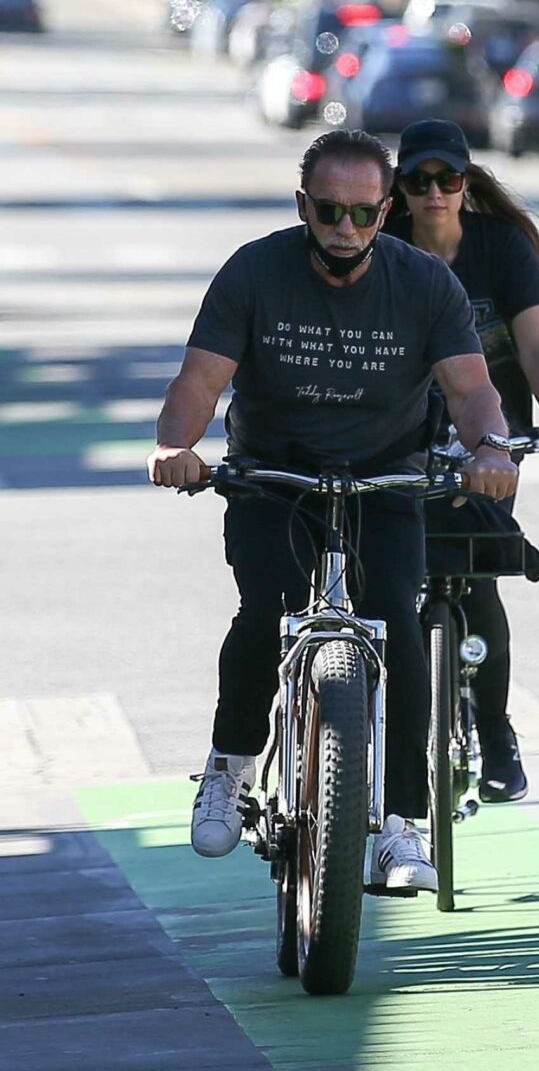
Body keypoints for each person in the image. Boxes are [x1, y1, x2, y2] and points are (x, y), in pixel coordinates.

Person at [146, 129, 518, 892]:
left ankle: (401, 825)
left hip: (385, 478)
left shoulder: (424, 284)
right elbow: (200, 378)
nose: (344, 230)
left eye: (361, 213)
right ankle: (229, 765)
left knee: (397, 622)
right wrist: (173, 444)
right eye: (327, 211)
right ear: (302, 206)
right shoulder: (256, 270)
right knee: (268, 608)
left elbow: (472, 386)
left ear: (386, 213)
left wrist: (491, 447)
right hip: (273, 475)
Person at [384, 119, 539, 803]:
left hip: (491, 429)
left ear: (467, 183)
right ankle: (389, 744)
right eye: (419, 181)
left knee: (477, 574)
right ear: (399, 190)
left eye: (448, 179)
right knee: (395, 574)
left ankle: (496, 733)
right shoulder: (384, 248)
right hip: (402, 427)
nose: (434, 192)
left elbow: (534, 346)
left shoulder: (502, 248)